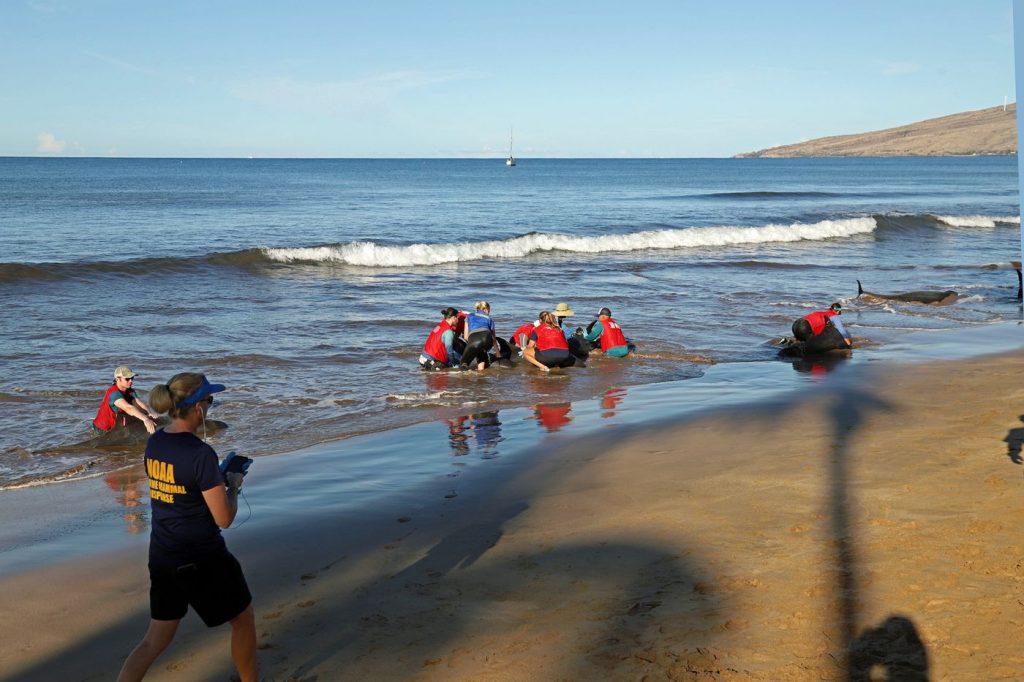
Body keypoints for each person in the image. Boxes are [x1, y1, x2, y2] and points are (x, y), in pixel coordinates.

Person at [117, 373, 257, 682]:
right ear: (197, 408)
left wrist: (211, 484)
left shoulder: (155, 442)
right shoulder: (200, 454)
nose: (211, 408)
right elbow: (224, 518)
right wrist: (232, 485)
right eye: (210, 401)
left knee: (155, 640)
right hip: (203, 557)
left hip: (164, 555)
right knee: (243, 618)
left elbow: (175, 491)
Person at [93, 366, 159, 435]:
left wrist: (149, 413)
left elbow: (138, 403)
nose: (131, 381)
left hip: (117, 421)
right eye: (127, 379)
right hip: (103, 428)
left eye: (132, 378)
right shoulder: (114, 393)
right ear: (118, 379)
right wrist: (145, 419)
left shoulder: (129, 390)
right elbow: (128, 408)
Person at [460, 301, 502, 371]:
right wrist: (498, 354)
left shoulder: (470, 316)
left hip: (474, 338)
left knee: (463, 363)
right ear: (486, 309)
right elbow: (493, 339)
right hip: (487, 339)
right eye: (489, 310)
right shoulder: (489, 318)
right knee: (481, 353)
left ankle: (465, 379)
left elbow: (466, 337)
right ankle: (480, 374)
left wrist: (471, 347)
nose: (489, 312)